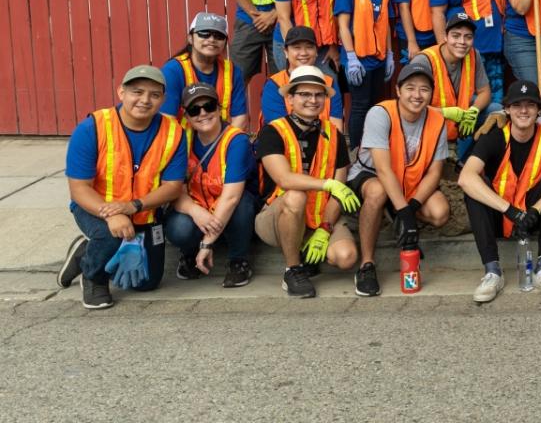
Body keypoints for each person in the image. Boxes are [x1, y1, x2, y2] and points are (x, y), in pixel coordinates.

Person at [57, 66, 187, 309]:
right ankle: (93, 276)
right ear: (121, 93)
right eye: (137, 92)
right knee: (110, 234)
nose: (145, 100)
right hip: (95, 206)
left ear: (163, 99)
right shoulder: (92, 128)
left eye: (154, 94)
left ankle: (85, 252)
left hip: (143, 210)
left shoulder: (174, 132)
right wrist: (114, 214)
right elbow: (79, 188)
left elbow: (173, 187)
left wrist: (132, 206)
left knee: (146, 283)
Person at [458, 81, 541, 302]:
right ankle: (493, 272)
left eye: (530, 105)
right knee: (473, 191)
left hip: (533, 217)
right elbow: (465, 177)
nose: (523, 110)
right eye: (517, 105)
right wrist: (510, 211)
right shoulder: (494, 136)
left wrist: (535, 211)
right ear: (507, 110)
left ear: (539, 110)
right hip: (501, 214)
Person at [347, 62, 452, 297]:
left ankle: (397, 217)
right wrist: (405, 213)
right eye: (410, 88)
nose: (417, 95)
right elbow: (383, 170)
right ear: (398, 90)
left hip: (410, 179)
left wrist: (412, 207)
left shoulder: (437, 119)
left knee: (440, 212)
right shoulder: (380, 113)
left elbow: (435, 172)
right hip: (371, 174)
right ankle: (366, 265)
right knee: (377, 192)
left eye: (424, 89)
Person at [255, 66, 360, 299]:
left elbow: (339, 190)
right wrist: (326, 184)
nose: (312, 100)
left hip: (320, 215)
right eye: (304, 94)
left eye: (318, 94)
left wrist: (325, 228)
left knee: (346, 257)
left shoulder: (334, 134)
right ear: (290, 98)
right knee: (295, 195)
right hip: (277, 215)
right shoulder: (273, 131)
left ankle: (309, 245)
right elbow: (284, 178)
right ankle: (293, 270)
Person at [165, 84, 256, 289]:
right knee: (178, 228)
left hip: (231, 206)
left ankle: (238, 260)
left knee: (243, 204)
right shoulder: (180, 140)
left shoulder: (236, 140)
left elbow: (231, 197)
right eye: (195, 110)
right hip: (198, 206)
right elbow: (174, 189)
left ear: (219, 109)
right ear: (186, 116)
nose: (203, 113)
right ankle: (189, 255)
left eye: (209, 106)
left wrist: (208, 243)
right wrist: (195, 211)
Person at [335, 0, 395, 151]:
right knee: (360, 106)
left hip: (378, 59)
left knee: (375, 105)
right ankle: (356, 152)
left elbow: (385, 23)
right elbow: (343, 25)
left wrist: (390, 55)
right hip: (358, 59)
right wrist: (350, 57)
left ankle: (372, 150)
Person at [410, 12, 492, 162]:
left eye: (468, 37)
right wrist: (445, 113)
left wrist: (474, 110)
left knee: (495, 111)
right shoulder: (424, 60)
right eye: (456, 35)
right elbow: (409, 107)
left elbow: (485, 92)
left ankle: (466, 161)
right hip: (427, 126)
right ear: (445, 37)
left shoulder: (474, 55)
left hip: (460, 121)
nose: (462, 41)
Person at [161, 12, 249, 130]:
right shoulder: (173, 70)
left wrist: (225, 145)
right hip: (182, 144)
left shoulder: (233, 71)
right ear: (190, 38)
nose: (211, 39)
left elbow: (240, 119)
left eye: (219, 36)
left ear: (225, 42)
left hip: (223, 143)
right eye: (204, 33)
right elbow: (167, 120)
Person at [260, 26, 344, 129]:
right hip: (285, 143)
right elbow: (279, 130)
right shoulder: (274, 84)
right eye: (297, 47)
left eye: (309, 47)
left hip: (324, 143)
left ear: (316, 51)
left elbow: (336, 128)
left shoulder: (329, 83)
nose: (304, 53)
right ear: (286, 52)